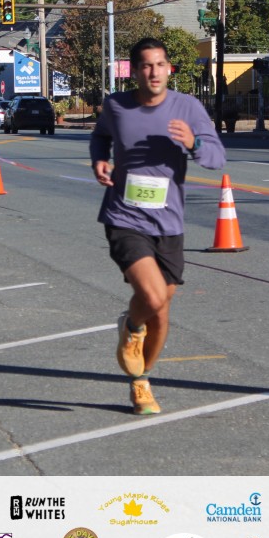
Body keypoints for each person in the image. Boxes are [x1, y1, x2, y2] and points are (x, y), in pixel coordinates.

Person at [90, 37, 225, 415]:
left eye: (160, 64)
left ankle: (141, 382)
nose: (154, 72)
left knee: (162, 311)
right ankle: (132, 327)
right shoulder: (117, 106)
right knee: (150, 299)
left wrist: (194, 142)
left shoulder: (187, 107)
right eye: (146, 65)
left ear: (169, 69)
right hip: (124, 216)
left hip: (169, 222)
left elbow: (217, 157)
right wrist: (100, 159)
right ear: (134, 71)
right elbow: (100, 135)